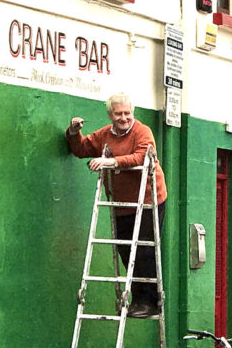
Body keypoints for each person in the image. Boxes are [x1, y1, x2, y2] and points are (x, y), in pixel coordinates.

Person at [65, 92, 167, 318]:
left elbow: (142, 157)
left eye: (127, 113)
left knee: (143, 249)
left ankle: (150, 302)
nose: (124, 118)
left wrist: (111, 161)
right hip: (122, 203)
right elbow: (81, 148)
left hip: (149, 199)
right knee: (124, 249)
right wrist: (74, 132)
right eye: (119, 113)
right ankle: (138, 299)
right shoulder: (105, 135)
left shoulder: (143, 132)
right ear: (111, 115)